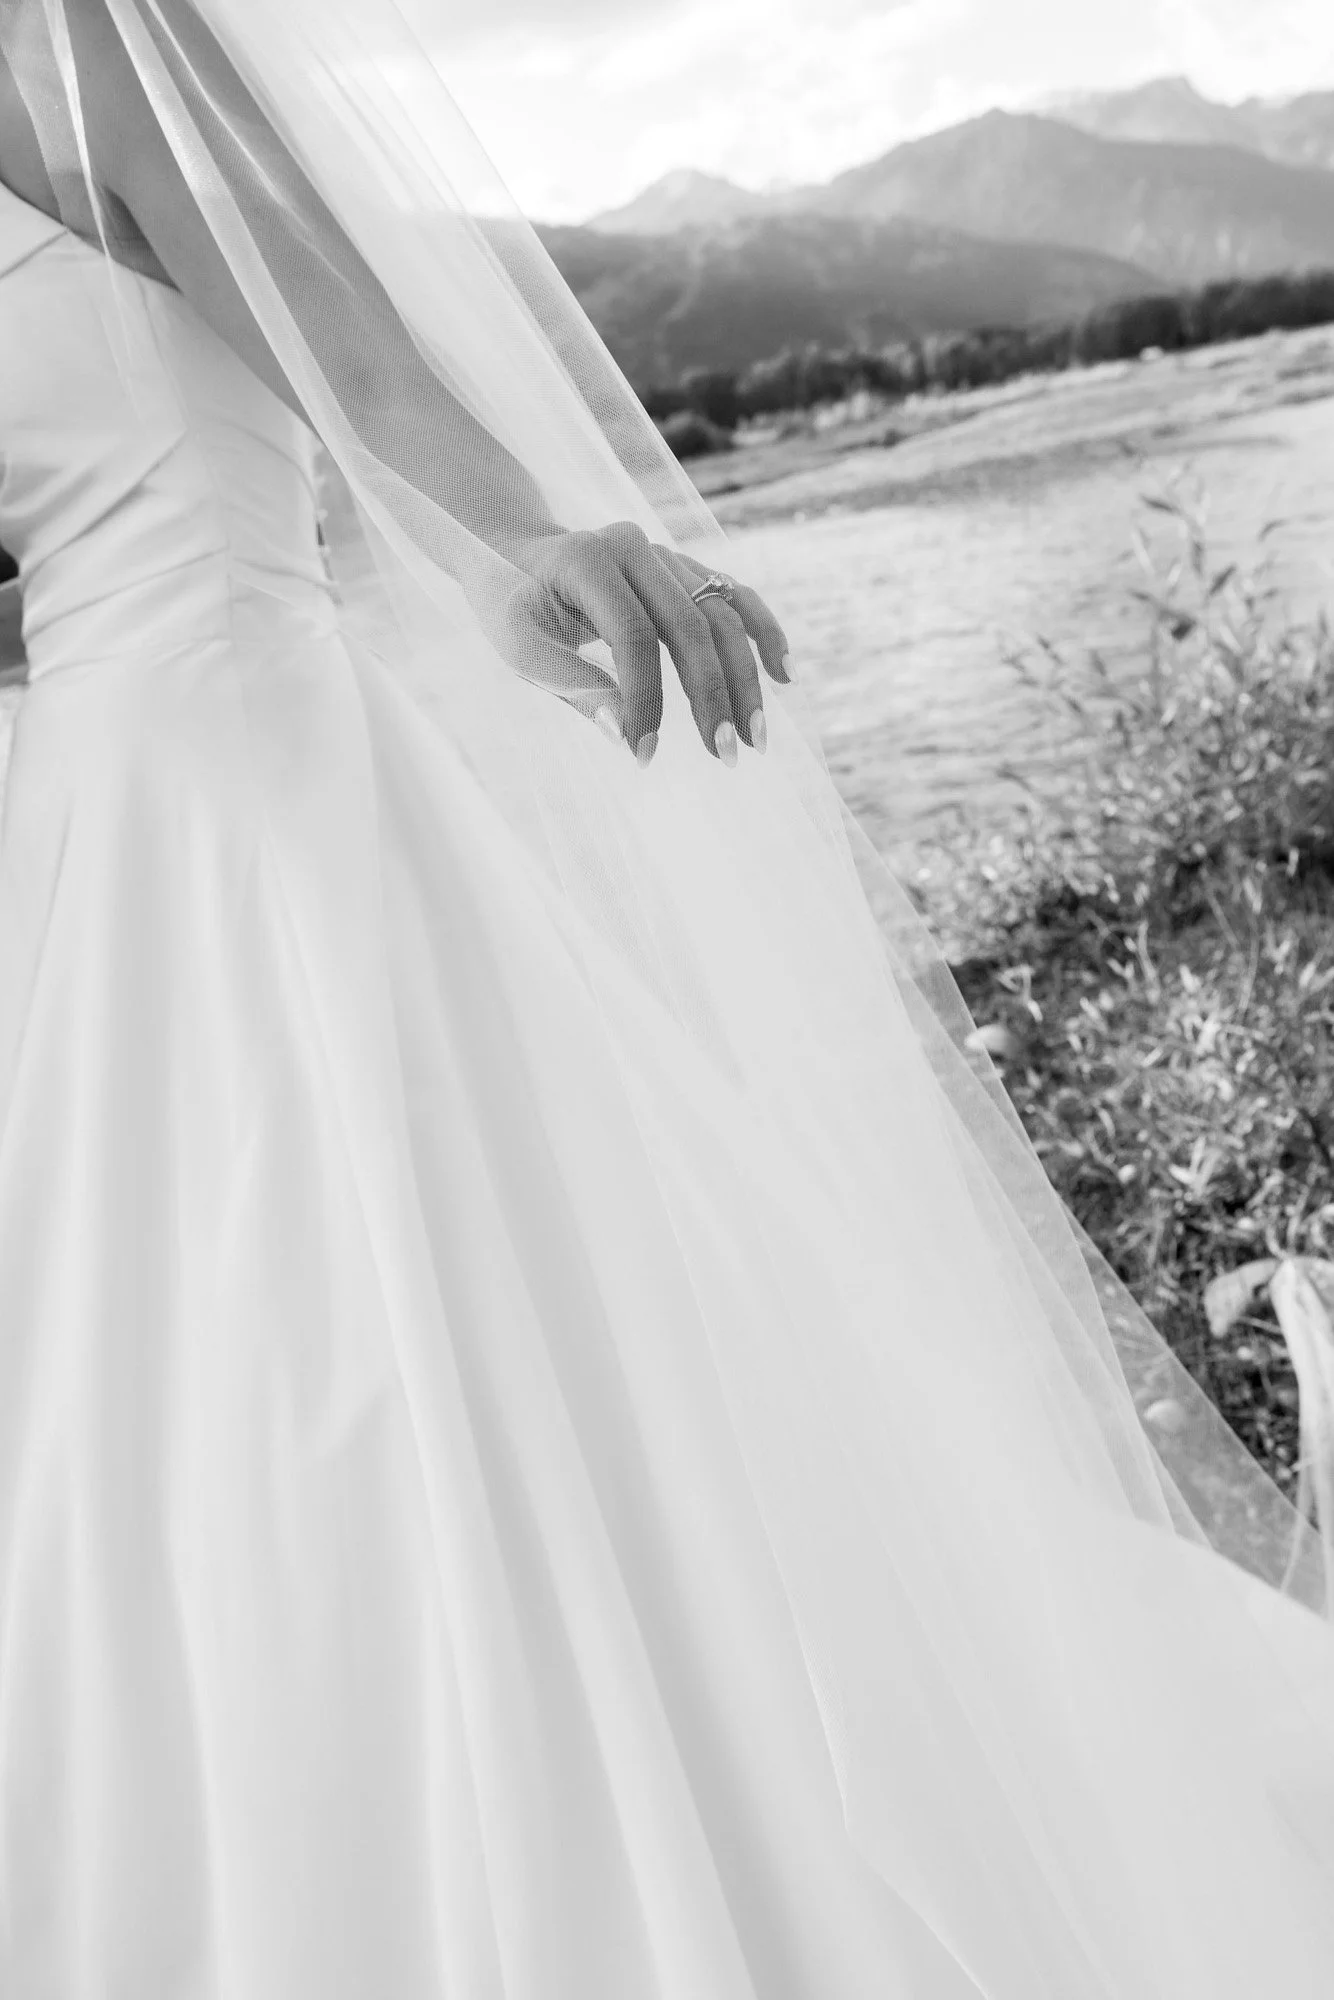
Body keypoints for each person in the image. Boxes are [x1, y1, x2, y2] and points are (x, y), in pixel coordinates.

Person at [0, 4, 1332, 1995]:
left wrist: (511, 533)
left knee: (447, 1399)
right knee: (175, 1472)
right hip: (82, 865)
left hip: (266, 810)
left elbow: (329, 318)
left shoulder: (69, 27)